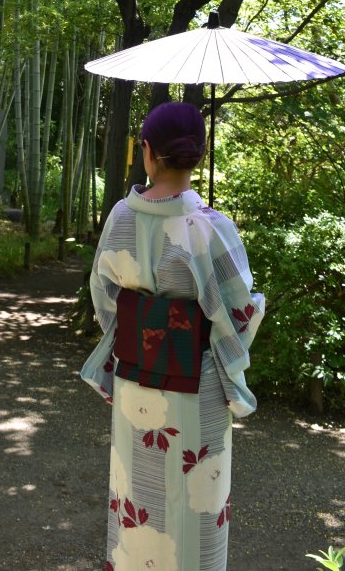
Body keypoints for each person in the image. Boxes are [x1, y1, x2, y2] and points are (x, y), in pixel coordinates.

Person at [81, 101, 264, 571]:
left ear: (148, 152)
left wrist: (139, 339)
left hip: (135, 382)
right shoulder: (210, 226)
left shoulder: (121, 216)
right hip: (195, 383)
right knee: (194, 499)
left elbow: (103, 295)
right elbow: (239, 312)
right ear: (197, 155)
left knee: (137, 494)